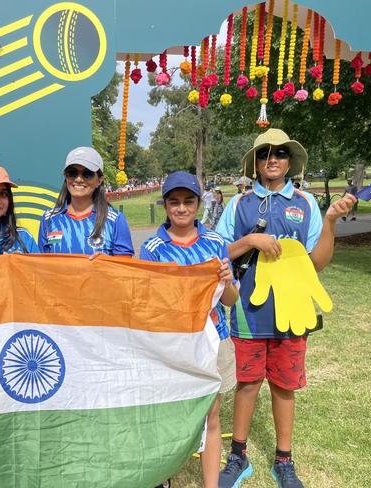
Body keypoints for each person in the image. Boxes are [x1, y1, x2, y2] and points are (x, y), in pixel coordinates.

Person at [215, 129, 356, 488]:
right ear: (256, 163)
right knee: (247, 384)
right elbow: (216, 252)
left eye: (279, 153)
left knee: (283, 387)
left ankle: (284, 462)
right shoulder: (239, 204)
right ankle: (238, 457)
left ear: (290, 161)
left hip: (292, 315)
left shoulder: (306, 203)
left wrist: (330, 222)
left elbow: (317, 263)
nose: (272, 159)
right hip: (247, 312)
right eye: (264, 154)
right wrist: (249, 240)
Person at [139, 171, 239, 488]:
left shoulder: (215, 243)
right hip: (173, 345)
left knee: (211, 415)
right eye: (174, 202)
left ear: (198, 203)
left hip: (213, 339)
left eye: (188, 201)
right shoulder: (153, 248)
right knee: (170, 416)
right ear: (166, 205)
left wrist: (224, 280)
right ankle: (164, 478)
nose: (181, 209)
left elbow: (232, 299)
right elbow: (149, 304)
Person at [38, 147, 133, 256]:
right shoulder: (49, 218)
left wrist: (108, 263)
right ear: (66, 177)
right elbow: (40, 265)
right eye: (72, 173)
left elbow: (125, 266)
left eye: (87, 174)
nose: (78, 179)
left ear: (99, 181)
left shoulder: (115, 220)